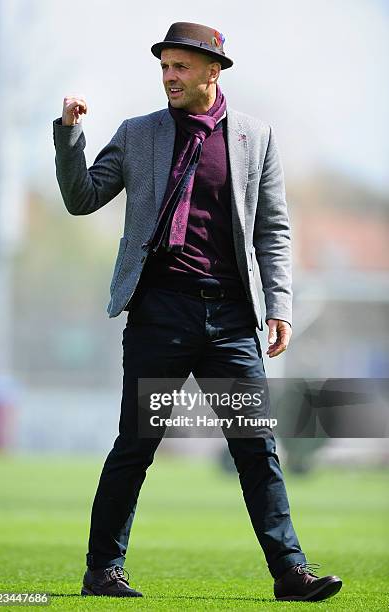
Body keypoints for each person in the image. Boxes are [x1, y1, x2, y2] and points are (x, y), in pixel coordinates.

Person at [53, 21, 342, 602]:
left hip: (232, 322)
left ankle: (291, 572)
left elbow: (273, 229)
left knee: (256, 447)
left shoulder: (256, 138)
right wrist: (68, 135)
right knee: (135, 445)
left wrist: (279, 305)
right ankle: (103, 571)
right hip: (160, 315)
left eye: (180, 67)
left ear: (214, 70)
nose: (169, 77)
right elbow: (82, 198)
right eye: (164, 67)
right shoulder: (138, 135)